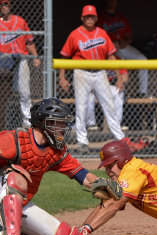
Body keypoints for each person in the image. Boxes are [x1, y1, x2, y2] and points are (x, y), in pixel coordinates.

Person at [0, 98, 99, 235]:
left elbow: (82, 175)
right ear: (43, 123)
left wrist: (102, 184)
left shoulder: (56, 152)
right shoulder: (15, 140)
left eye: (64, 123)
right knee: (15, 176)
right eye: (58, 123)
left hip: (16, 204)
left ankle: (23, 234)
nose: (63, 128)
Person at [58, 4, 126, 154]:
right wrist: (62, 77)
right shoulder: (75, 34)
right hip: (81, 73)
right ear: (82, 18)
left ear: (96, 18)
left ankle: (121, 139)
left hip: (100, 72)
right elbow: (64, 56)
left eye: (92, 16)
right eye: (87, 16)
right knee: (81, 108)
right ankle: (82, 142)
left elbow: (111, 56)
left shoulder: (102, 33)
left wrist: (119, 76)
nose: (89, 19)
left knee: (109, 105)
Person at [0, 0, 41, 129]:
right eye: (1, 5)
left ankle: (27, 120)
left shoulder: (20, 21)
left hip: (21, 58)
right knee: (1, 92)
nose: (4, 7)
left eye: (6, 4)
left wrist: (35, 56)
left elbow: (29, 41)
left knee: (24, 91)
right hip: (4, 60)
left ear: (10, 6)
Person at [97, 0, 149, 98]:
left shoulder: (122, 18)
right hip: (109, 49)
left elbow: (129, 35)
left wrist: (125, 43)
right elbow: (97, 37)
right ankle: (122, 92)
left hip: (122, 46)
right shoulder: (100, 18)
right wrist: (110, 43)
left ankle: (142, 92)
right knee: (121, 61)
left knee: (143, 60)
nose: (112, 3)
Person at [86, 55, 129, 131]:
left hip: (109, 86)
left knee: (118, 92)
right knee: (89, 95)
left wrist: (121, 80)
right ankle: (91, 124)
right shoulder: (95, 59)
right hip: (96, 87)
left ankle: (117, 123)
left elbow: (125, 78)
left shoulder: (118, 60)